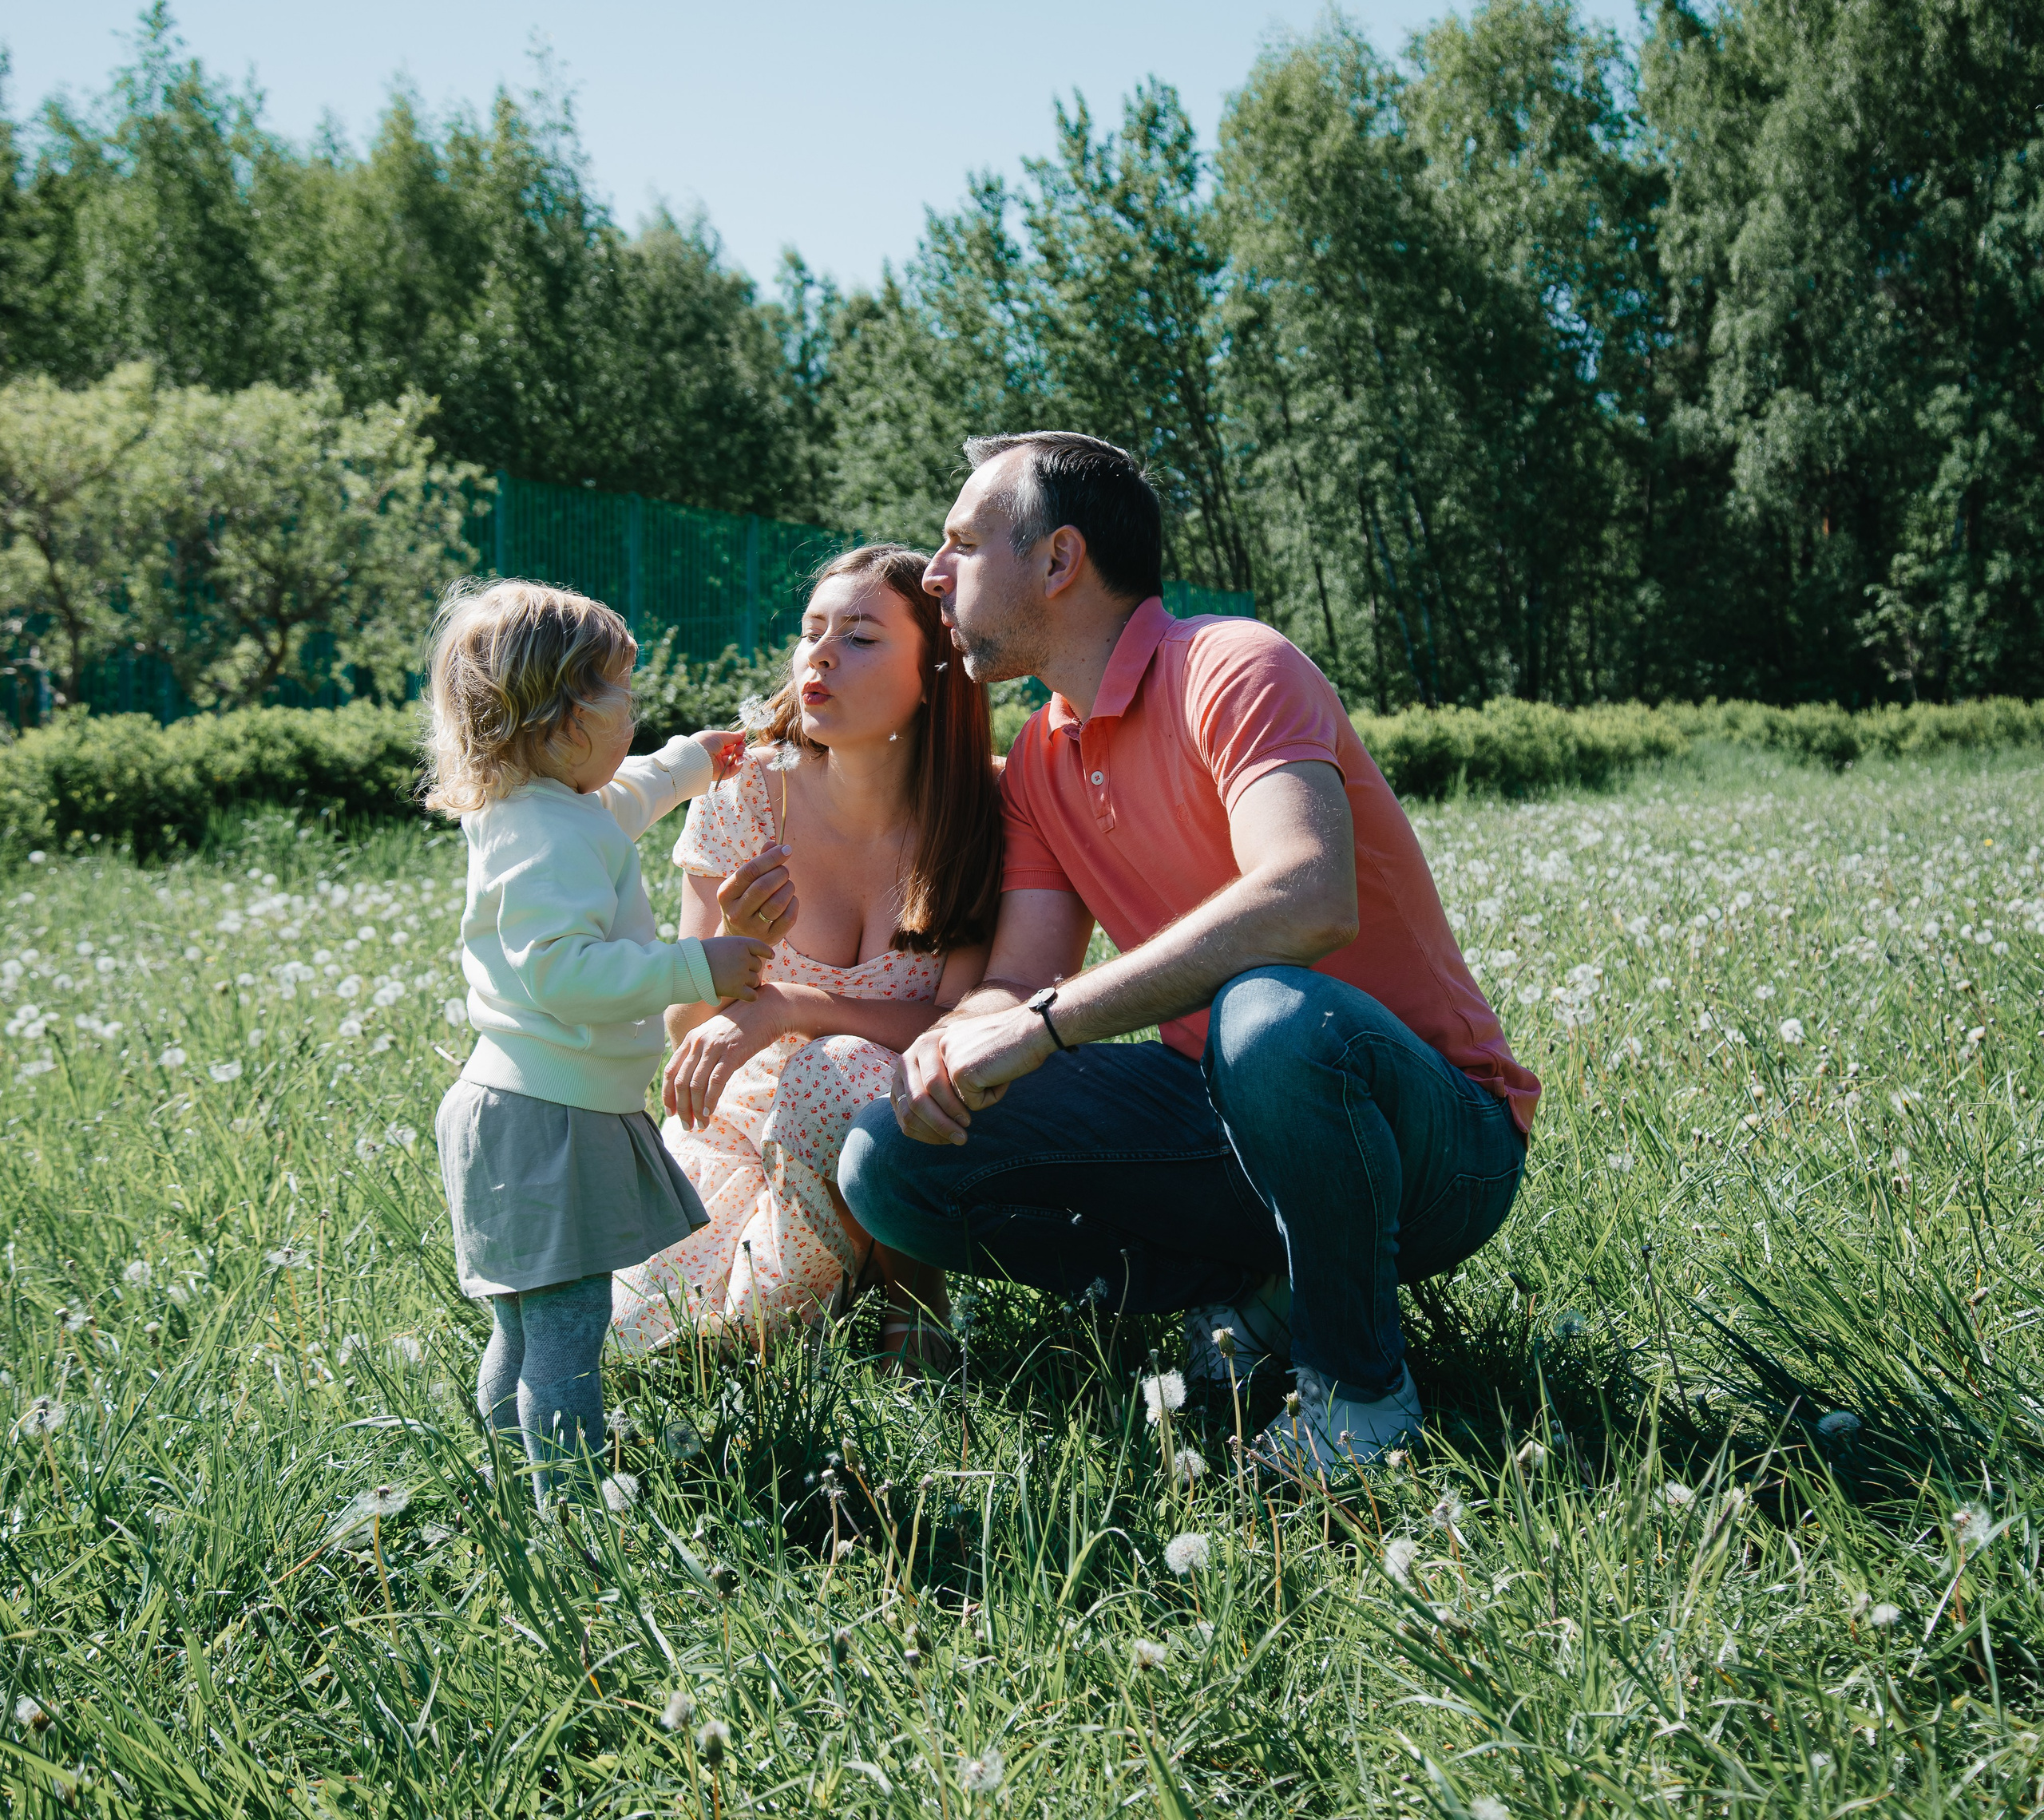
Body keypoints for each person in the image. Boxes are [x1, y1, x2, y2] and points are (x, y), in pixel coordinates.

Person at [838, 433, 1541, 1471]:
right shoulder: (1041, 753)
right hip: (1221, 1117)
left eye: (961, 544)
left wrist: (1042, 1027)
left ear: (1058, 561)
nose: (934, 573)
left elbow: (1306, 897)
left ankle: (1359, 1395)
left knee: (1271, 1014)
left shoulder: (1235, 665)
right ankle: (1251, 1297)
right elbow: (1022, 980)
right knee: (890, 1161)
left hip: (1435, 1144)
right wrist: (947, 1049)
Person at [610, 544, 1003, 1369]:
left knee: (842, 1067)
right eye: (811, 630)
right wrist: (737, 948)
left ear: (937, 669)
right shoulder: (746, 793)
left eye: (860, 637)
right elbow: (688, 1025)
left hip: (897, 1123)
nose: (819, 654)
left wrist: (789, 1006)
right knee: (652, 1338)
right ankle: (836, 1271)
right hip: (741, 1123)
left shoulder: (982, 814)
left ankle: (912, 1296)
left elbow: (960, 1024)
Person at [422, 578, 771, 1505]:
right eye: (621, 690)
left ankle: (503, 1489)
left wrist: (698, 760)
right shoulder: (547, 835)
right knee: (570, 1335)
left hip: (524, 1108)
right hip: (548, 1117)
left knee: (528, 1330)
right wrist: (696, 969)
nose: (637, 707)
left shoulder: (551, 806)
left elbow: (631, 792)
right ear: (565, 713)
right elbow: (561, 974)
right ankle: (569, 1520)